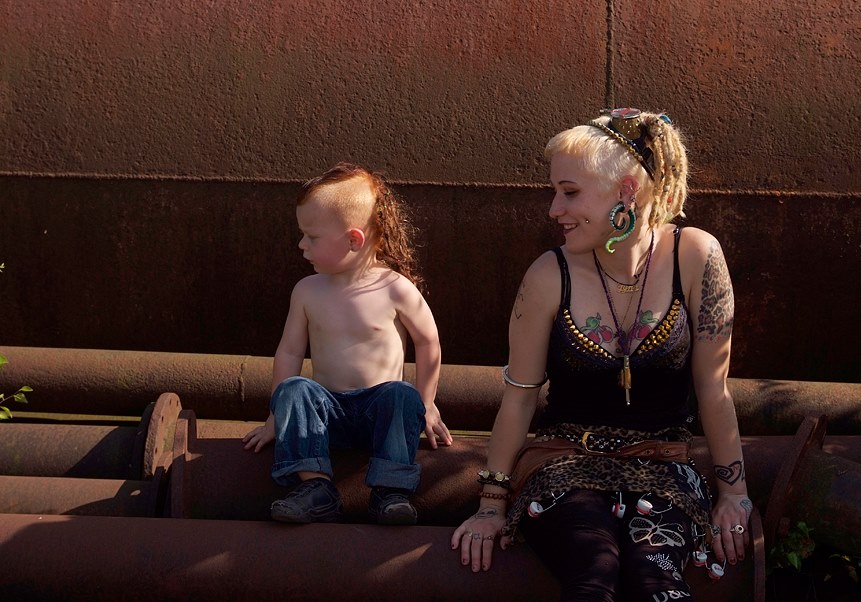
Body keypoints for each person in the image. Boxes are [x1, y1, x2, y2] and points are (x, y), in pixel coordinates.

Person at [451, 109, 751, 600]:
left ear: (626, 190)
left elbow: (713, 390)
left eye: (570, 192)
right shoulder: (547, 275)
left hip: (664, 467)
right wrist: (490, 506)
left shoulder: (696, 256)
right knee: (594, 572)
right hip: (563, 464)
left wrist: (734, 494)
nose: (555, 209)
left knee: (657, 581)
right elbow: (519, 399)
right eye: (555, 192)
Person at [243, 162, 452, 526]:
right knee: (294, 389)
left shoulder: (395, 288)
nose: (301, 244)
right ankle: (317, 488)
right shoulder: (307, 291)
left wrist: (428, 404)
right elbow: (290, 352)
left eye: (312, 237)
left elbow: (428, 342)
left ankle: (390, 494)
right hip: (326, 416)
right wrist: (276, 417)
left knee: (402, 395)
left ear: (354, 239)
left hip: (378, 416)